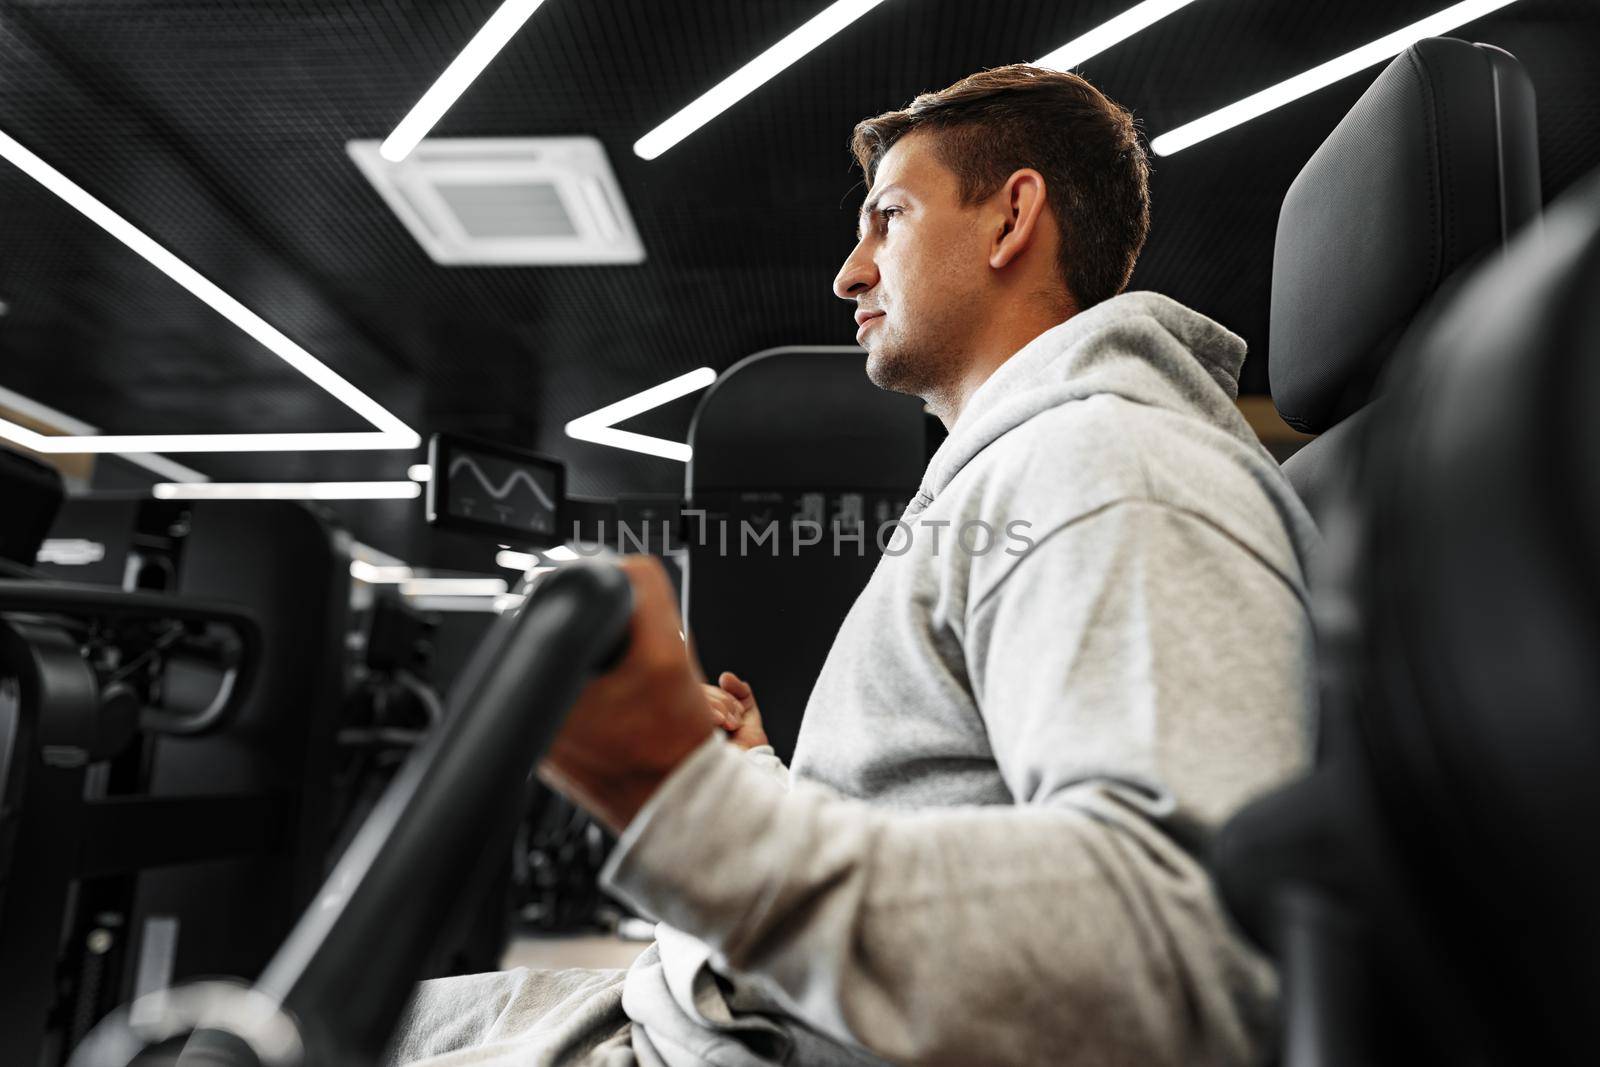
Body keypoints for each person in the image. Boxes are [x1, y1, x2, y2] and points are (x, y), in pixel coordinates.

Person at [391, 64, 1317, 1067]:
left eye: (889, 219)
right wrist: (753, 776)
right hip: (689, 1006)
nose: (850, 270)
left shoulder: (1106, 465)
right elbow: (943, 811)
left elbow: (1183, 959)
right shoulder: (1012, 473)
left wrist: (679, 803)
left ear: (1011, 217)